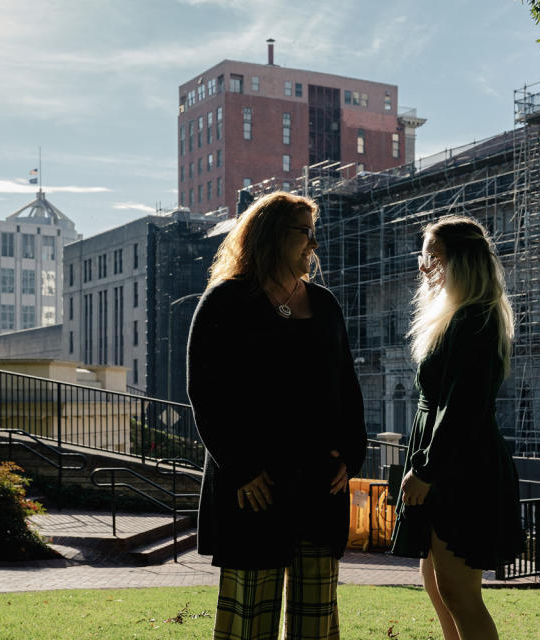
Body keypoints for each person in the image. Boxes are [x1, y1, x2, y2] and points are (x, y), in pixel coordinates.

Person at [186, 191, 367, 640]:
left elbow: (346, 385)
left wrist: (351, 452)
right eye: (303, 232)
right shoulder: (226, 301)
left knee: (316, 620)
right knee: (248, 619)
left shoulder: (324, 304)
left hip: (319, 482)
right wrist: (243, 469)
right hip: (256, 486)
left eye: (313, 233)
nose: (313, 244)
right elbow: (206, 394)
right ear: (271, 235)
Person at [391, 215, 524, 640]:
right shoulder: (460, 317)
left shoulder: (475, 320)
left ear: (460, 261)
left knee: (458, 592)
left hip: (463, 469)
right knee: (438, 586)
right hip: (448, 464)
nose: (424, 265)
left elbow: (463, 407)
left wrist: (426, 470)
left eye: (432, 255)